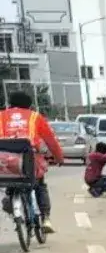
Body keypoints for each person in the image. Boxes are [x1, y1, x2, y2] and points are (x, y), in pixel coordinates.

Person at [0, 91, 63, 233]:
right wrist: (59, 158)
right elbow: (51, 141)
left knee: (11, 185)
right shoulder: (35, 117)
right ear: (29, 105)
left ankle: (11, 203)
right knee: (40, 185)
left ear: (10, 104)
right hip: (29, 162)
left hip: (5, 164)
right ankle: (45, 218)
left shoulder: (1, 116)